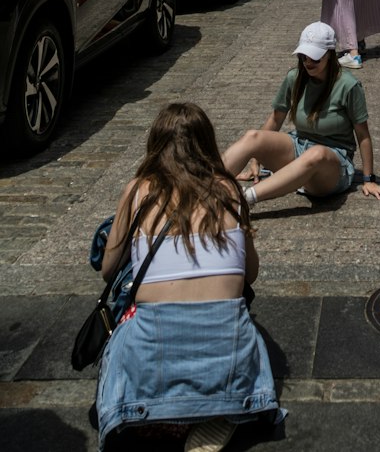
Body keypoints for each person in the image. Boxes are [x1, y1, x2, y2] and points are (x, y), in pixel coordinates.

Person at [96, 101, 280, 452]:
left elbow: (107, 269)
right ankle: (219, 408)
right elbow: (250, 274)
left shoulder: (138, 190)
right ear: (208, 143)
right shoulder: (229, 191)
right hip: (228, 345)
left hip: (154, 344)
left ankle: (163, 413)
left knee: (125, 336)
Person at [224, 22, 380, 209]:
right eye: (303, 57)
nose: (308, 62)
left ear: (330, 55)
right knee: (252, 136)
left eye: (315, 58)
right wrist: (255, 160)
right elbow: (276, 118)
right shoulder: (294, 77)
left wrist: (368, 179)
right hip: (298, 146)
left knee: (316, 154)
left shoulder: (348, 85)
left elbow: (363, 135)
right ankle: (204, 188)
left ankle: (243, 200)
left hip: (333, 161)